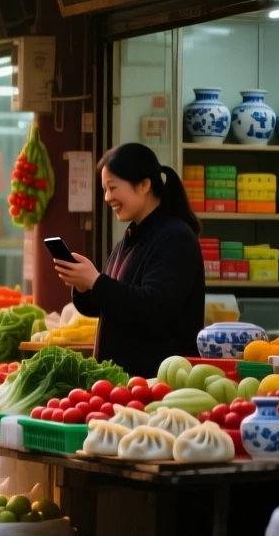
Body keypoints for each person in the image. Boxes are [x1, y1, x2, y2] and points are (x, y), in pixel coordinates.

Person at [54, 142, 205, 378]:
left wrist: (96, 281)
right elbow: (111, 305)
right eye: (104, 189)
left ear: (144, 184)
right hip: (124, 383)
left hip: (155, 384)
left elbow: (154, 306)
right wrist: (84, 287)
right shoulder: (131, 237)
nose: (107, 197)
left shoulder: (175, 237)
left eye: (113, 188)